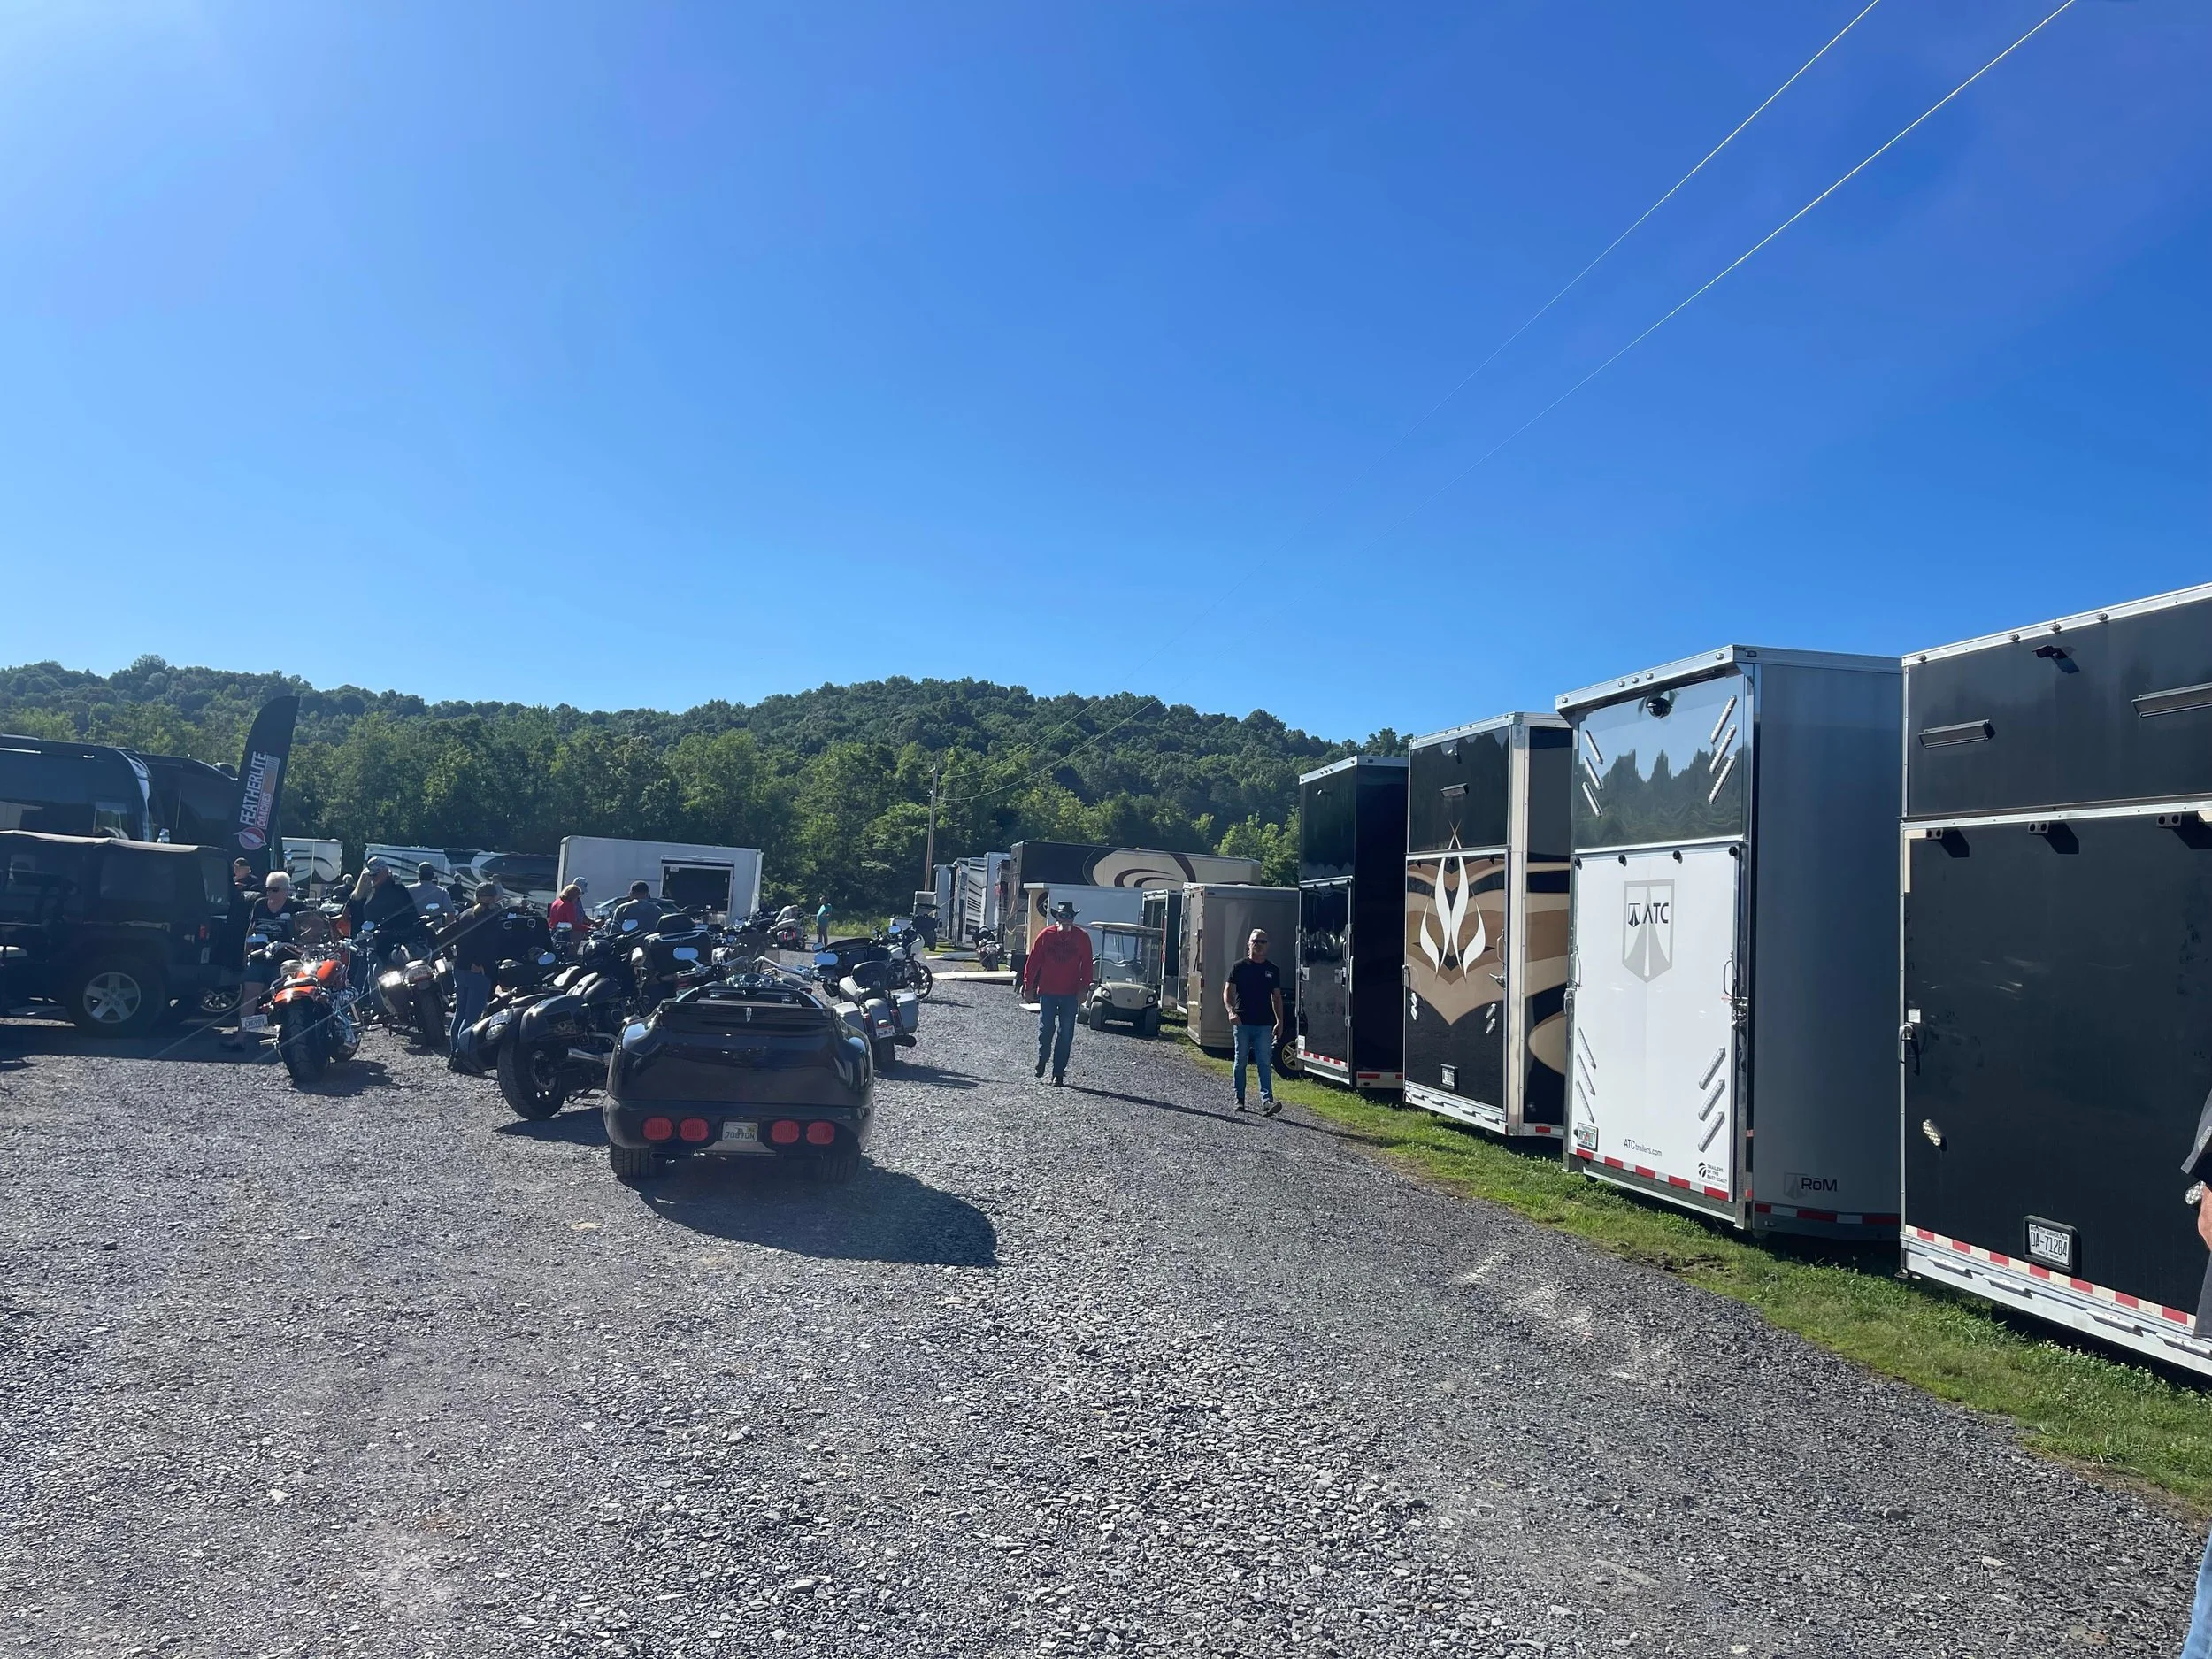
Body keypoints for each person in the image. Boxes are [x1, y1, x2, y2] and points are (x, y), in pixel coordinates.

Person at [221, 869, 302, 1051]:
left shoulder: (296, 906)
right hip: (260, 956)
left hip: (284, 960)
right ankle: (241, 1037)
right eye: (268, 889)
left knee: (286, 999)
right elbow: (252, 928)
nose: (269, 893)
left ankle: (286, 1038)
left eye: (274, 889)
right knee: (249, 996)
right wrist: (246, 952)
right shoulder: (260, 904)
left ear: (285, 890)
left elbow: (306, 930)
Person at [1021, 900, 1093, 1087]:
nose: (1066, 920)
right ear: (1057, 918)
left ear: (1074, 919)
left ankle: (1058, 1072)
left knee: (1066, 1032)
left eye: (1070, 917)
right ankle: (1042, 1058)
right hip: (1048, 991)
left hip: (1070, 993)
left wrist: (1084, 988)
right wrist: (1028, 986)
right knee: (1046, 1030)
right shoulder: (1046, 935)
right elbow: (1034, 960)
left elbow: (1087, 964)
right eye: (1063, 917)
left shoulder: (1082, 937)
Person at [440, 881, 507, 1069]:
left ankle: (454, 1053)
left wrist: (450, 956)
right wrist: (478, 963)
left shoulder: (466, 914)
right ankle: (462, 1058)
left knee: (459, 1014)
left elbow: (442, 935)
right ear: (491, 898)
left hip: (459, 968)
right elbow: (486, 944)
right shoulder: (489, 917)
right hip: (478, 970)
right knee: (471, 1017)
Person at [1224, 927, 1286, 1116]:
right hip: (1243, 1022)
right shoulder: (1239, 967)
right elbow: (1228, 991)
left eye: (1262, 942)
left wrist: (1280, 1022)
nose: (1258, 945)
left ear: (1268, 946)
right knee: (1240, 1060)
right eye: (1255, 941)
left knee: (1264, 1063)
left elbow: (1276, 998)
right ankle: (1239, 1099)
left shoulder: (1272, 970)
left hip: (1264, 1024)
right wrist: (1230, 1011)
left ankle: (1267, 1102)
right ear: (1248, 944)